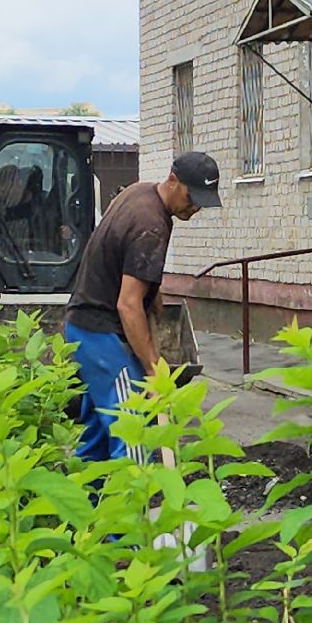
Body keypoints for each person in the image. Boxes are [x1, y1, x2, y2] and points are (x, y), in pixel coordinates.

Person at [63, 152, 222, 462]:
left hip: (81, 326)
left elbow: (119, 253)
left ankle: (85, 508)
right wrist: (153, 371)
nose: (197, 206)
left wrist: (152, 289)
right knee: (135, 430)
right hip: (103, 334)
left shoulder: (139, 192)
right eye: (193, 196)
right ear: (174, 180)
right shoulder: (151, 225)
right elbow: (128, 304)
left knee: (97, 435)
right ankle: (133, 508)